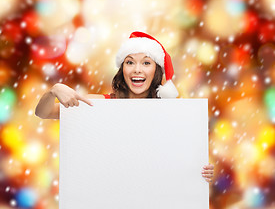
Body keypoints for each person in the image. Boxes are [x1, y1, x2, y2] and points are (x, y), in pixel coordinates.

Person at [35, 31, 214, 183]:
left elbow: (178, 162)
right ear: (122, 70)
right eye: (130, 62)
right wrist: (54, 90)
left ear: (156, 71)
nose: (137, 69)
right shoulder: (98, 105)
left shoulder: (170, 114)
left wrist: (201, 173)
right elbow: (43, 112)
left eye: (146, 62)